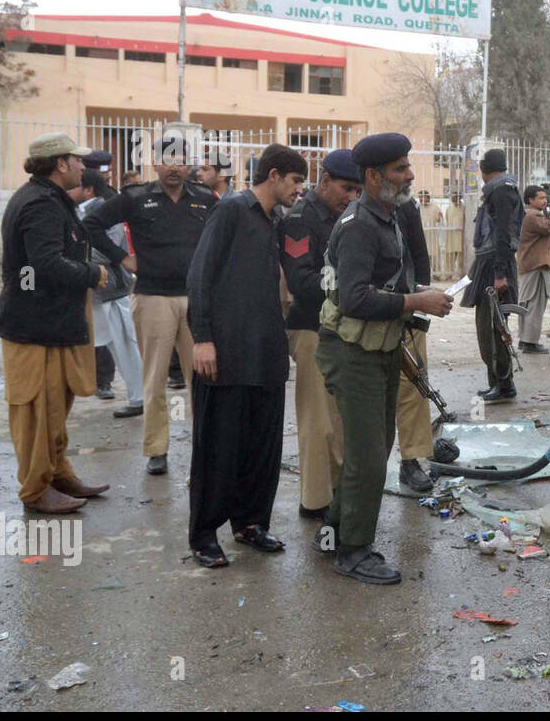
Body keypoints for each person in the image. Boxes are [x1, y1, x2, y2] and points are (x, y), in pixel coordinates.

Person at [313, 132, 453, 584]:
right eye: (399, 169)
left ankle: (334, 531)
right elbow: (353, 299)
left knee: (377, 447)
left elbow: (388, 284)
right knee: (369, 455)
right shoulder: (359, 226)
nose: (410, 174)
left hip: (380, 347)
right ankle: (354, 551)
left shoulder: (388, 215)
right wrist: (416, 302)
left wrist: (416, 303)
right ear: (373, 177)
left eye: (408, 166)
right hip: (353, 351)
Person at [184, 144, 307, 568]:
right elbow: (200, 272)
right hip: (226, 353)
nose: (298, 191)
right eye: (295, 181)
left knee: (262, 446)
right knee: (220, 448)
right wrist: (201, 337)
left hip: (266, 353)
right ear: (273, 175)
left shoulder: (277, 222)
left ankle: (251, 523)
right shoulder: (232, 210)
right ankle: (204, 535)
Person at [84, 134, 218, 476]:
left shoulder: (206, 199)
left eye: (180, 160)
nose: (174, 167)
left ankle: (206, 447)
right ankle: (156, 450)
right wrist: (122, 259)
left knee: (203, 380)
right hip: (152, 298)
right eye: (166, 160)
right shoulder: (136, 198)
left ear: (190, 164)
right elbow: (91, 225)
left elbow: (224, 237)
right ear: (155, 163)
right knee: (155, 379)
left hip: (196, 303)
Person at [0, 133, 112, 513]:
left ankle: (58, 473)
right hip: (34, 326)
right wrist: (91, 272)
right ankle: (35, 489)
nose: (84, 166)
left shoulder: (50, 200)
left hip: (51, 324)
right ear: (61, 164)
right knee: (35, 410)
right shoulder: (39, 205)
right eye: (78, 160)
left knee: (55, 409)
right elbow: (45, 264)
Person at [279, 149, 363, 519]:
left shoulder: (344, 216)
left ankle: (336, 493)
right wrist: (350, 285)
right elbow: (301, 280)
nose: (352, 196)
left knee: (341, 421)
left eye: (357, 190)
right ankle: (315, 501)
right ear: (325, 179)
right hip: (310, 328)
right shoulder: (301, 219)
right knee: (317, 422)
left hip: (340, 328)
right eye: (346, 188)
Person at [71, 165, 144, 419]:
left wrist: (77, 258)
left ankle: (139, 397)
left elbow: (109, 249)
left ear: (88, 189)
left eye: (75, 186)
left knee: (124, 344)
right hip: (93, 290)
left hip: (110, 289)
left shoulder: (105, 210)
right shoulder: (77, 211)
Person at [461, 149, 523, 401]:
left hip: (496, 266)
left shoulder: (500, 190)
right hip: (490, 263)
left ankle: (504, 384)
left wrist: (499, 274)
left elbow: (501, 235)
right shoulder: (500, 190)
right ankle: (498, 382)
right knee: (489, 325)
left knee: (493, 326)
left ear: (486, 169)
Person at [394, 191, 439, 492]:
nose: (409, 176)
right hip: (362, 313)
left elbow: (419, 252)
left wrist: (422, 296)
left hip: (407, 309)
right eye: (400, 169)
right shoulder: (354, 206)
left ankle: (411, 460)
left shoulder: (405, 205)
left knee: (413, 386)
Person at [79, 150, 121, 400]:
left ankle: (103, 380)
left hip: (102, 273)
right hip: (81, 271)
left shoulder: (111, 199)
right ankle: (88, 378)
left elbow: (112, 239)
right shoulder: (78, 194)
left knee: (105, 330)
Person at [516, 185, 550, 353]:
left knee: (529, 303)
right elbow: (549, 226)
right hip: (535, 265)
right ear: (531, 200)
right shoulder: (532, 216)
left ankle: (525, 339)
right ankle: (529, 342)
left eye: (546, 198)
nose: (545, 201)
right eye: (541, 198)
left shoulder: (530, 214)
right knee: (534, 303)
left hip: (532, 265)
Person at [445, 191, 466, 277]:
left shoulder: (464, 208)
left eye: (455, 198)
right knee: (450, 254)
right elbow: (447, 219)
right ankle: (449, 273)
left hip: (461, 235)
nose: (454, 200)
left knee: (461, 255)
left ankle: (461, 273)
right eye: (452, 199)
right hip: (451, 235)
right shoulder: (449, 208)